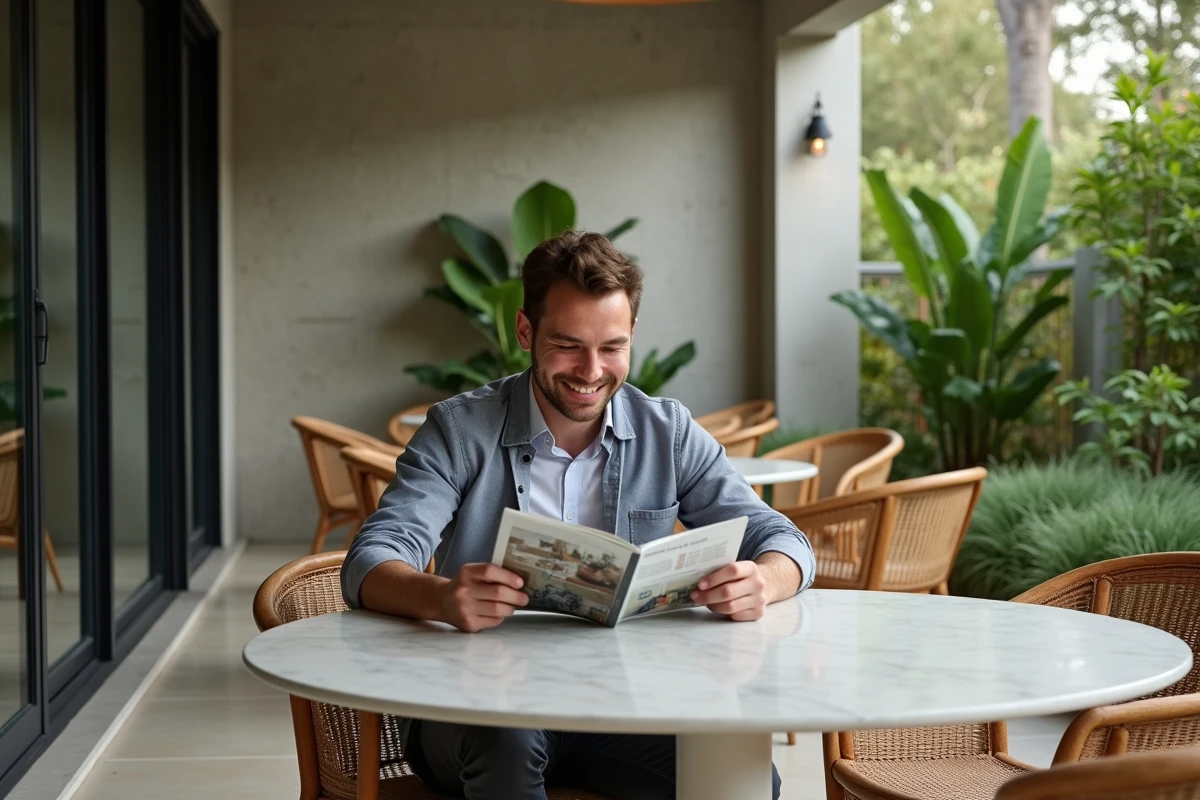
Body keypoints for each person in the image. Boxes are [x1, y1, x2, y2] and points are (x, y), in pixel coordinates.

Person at [342, 230, 815, 800]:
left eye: (612, 347)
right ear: (525, 331)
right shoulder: (459, 430)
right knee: (507, 745)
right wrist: (441, 599)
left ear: (633, 334)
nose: (591, 370)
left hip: (618, 702)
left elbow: (783, 538)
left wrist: (763, 580)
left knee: (740, 778)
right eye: (567, 345)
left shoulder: (667, 432)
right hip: (474, 705)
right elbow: (370, 560)